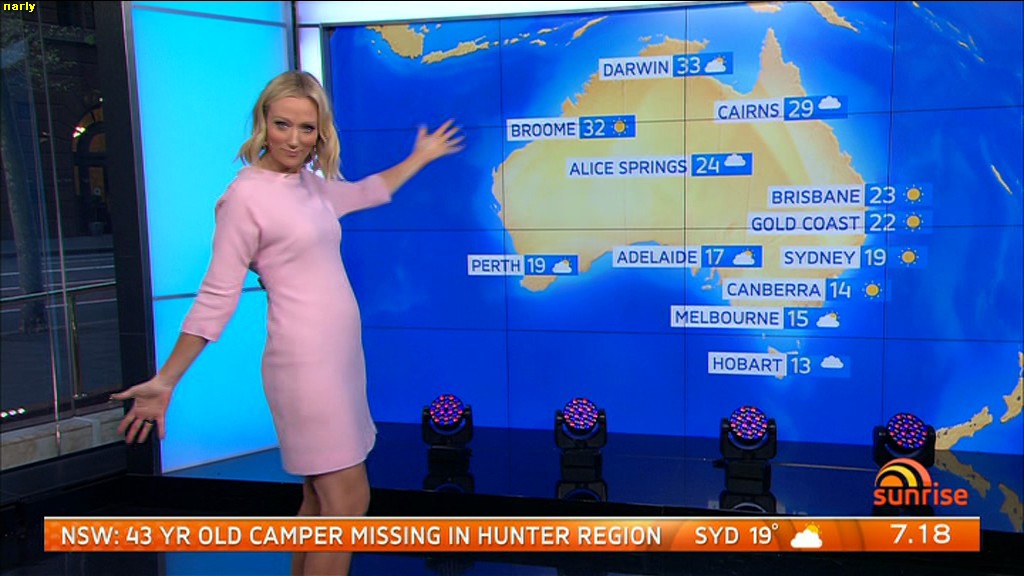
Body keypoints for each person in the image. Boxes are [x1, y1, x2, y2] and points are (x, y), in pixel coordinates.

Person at [112, 70, 463, 575]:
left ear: (320, 133)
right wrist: (167, 379)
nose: (294, 140)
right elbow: (217, 294)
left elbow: (366, 192)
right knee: (347, 502)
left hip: (340, 362)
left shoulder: (310, 186)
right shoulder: (244, 198)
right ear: (263, 123)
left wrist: (420, 157)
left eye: (306, 128)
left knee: (320, 503)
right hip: (305, 364)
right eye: (283, 125)